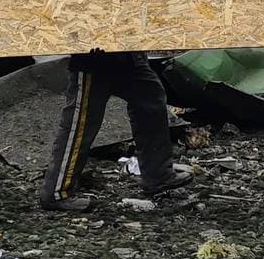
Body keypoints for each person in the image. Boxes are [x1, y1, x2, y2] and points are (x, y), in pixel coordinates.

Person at [39, 50, 193, 210]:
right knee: (80, 122)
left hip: (129, 57)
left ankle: (158, 175)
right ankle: (56, 193)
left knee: (150, 98)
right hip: (93, 61)